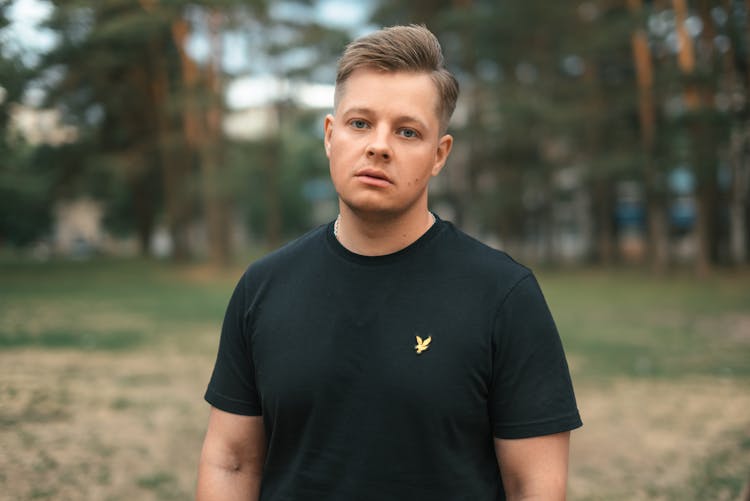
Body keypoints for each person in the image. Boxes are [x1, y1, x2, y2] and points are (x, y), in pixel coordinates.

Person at [196, 24, 581, 501]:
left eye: (407, 131)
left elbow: (534, 486)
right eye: (360, 124)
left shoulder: (504, 295)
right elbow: (231, 463)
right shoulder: (263, 287)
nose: (379, 146)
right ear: (330, 136)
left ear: (439, 154)